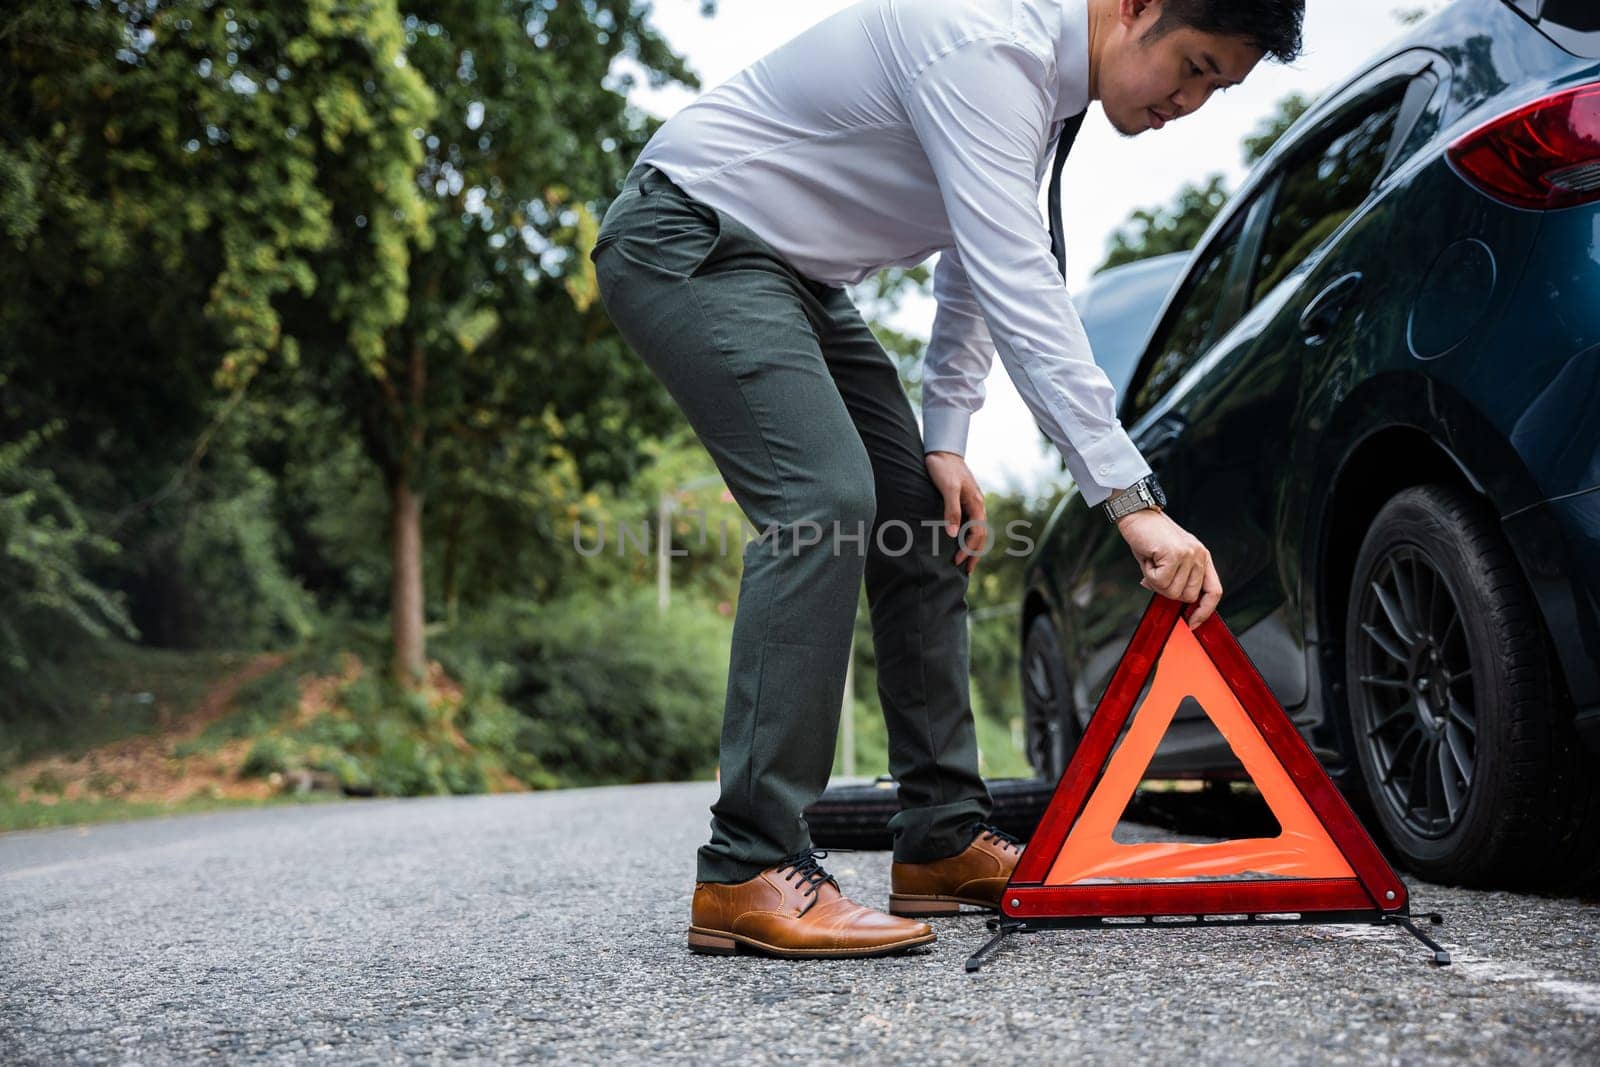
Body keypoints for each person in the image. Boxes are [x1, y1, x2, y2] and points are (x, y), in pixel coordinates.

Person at [589, 0, 1304, 959]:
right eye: (1194, 65)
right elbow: (1018, 279)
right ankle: (747, 867)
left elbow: (976, 259)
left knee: (920, 514)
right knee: (823, 503)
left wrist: (947, 437)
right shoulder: (989, 44)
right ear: (1132, 9)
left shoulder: (1049, 97)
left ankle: (939, 837)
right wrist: (1134, 503)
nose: (1191, 102)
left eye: (1218, 86)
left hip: (798, 277)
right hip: (692, 237)